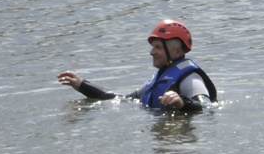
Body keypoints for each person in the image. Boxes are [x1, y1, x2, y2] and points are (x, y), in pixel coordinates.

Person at [58, 19, 217, 112]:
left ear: (176, 52)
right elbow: (121, 99)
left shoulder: (189, 77)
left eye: (158, 47)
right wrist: (82, 85)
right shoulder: (161, 76)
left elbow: (206, 107)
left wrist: (182, 102)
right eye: (153, 47)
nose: (151, 52)